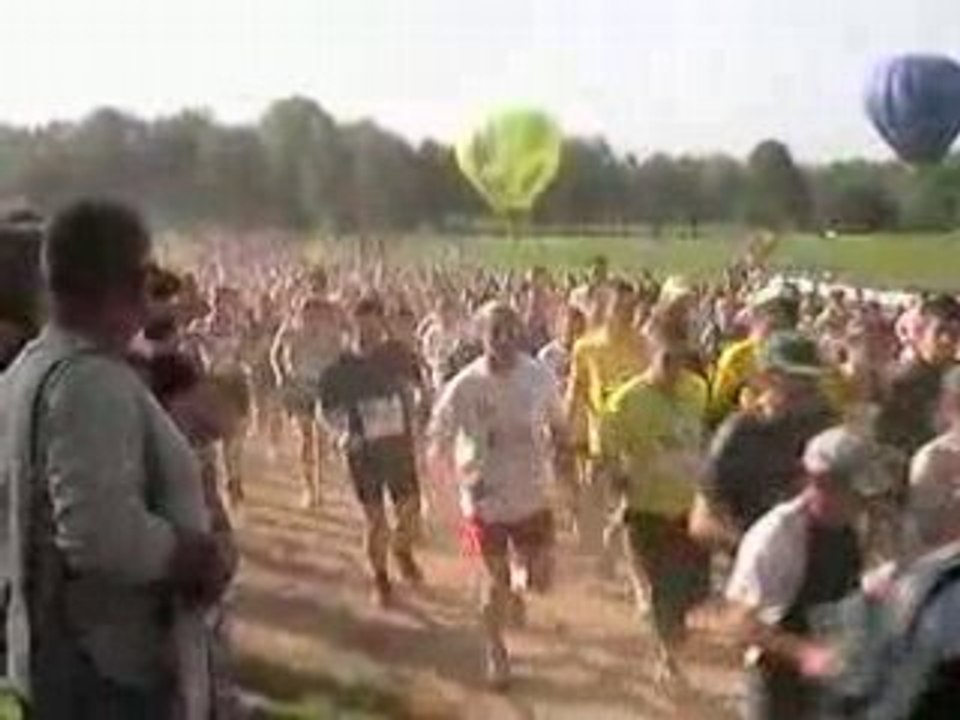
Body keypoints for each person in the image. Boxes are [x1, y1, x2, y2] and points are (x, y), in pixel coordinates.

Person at [0, 200, 227, 718]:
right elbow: (100, 535)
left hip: (55, 663)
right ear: (127, 284)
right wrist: (191, 555)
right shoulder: (89, 382)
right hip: (106, 672)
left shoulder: (28, 372)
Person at [428, 302, 572, 688]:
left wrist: (564, 461)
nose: (504, 340)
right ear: (482, 336)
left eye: (511, 331)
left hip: (532, 493)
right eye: (496, 332)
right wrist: (448, 488)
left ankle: (517, 588)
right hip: (483, 499)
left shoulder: (538, 376)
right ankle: (496, 652)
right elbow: (437, 439)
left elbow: (559, 424)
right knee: (495, 582)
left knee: (541, 578)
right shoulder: (464, 386)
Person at [723, 426, 892, 720]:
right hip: (778, 682)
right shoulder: (777, 536)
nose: (862, 503)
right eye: (854, 492)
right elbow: (739, 623)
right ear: (820, 482)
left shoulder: (860, 527)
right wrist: (805, 653)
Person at [599, 318, 710, 686]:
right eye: (667, 360)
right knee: (662, 594)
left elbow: (703, 439)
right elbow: (607, 455)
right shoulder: (625, 402)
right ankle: (668, 659)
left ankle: (666, 632)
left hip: (689, 510)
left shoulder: (698, 389)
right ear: (650, 354)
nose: (675, 369)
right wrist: (619, 486)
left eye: (681, 359)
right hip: (646, 511)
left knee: (694, 592)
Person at [318, 296, 424, 606]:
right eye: (363, 324)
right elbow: (325, 409)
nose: (369, 331)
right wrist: (341, 434)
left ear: (382, 322)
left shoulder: (399, 354)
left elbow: (419, 388)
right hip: (363, 450)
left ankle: (401, 549)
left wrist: (417, 410)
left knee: (410, 512)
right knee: (376, 520)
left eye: (374, 323)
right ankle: (381, 579)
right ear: (353, 325)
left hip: (398, 446)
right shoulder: (341, 366)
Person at [691, 332, 836, 550]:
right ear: (765, 378)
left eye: (811, 380)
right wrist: (755, 548)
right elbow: (702, 521)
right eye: (794, 378)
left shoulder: (828, 427)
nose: (805, 388)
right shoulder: (741, 433)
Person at [566, 280, 647, 560]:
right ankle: (597, 554)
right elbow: (576, 389)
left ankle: (614, 545)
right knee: (595, 498)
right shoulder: (586, 347)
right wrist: (564, 426)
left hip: (636, 440)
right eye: (621, 307)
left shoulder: (644, 345)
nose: (628, 313)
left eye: (632, 307)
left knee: (629, 504)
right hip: (600, 438)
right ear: (606, 308)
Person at [272, 296, 344, 509]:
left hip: (325, 390)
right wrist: (282, 376)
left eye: (318, 314)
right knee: (306, 438)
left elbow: (339, 359)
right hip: (301, 389)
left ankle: (319, 485)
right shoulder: (292, 333)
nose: (313, 319)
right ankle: (310, 488)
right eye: (309, 315)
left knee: (321, 441)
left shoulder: (333, 335)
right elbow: (276, 354)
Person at [876, 294, 960, 460]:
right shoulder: (902, 382)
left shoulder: (955, 375)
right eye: (940, 331)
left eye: (954, 334)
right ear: (921, 332)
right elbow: (890, 441)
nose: (946, 340)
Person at [709, 282, 799, 427]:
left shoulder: (803, 354)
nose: (780, 319)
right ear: (758, 316)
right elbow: (716, 410)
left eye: (789, 312)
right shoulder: (738, 356)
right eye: (772, 311)